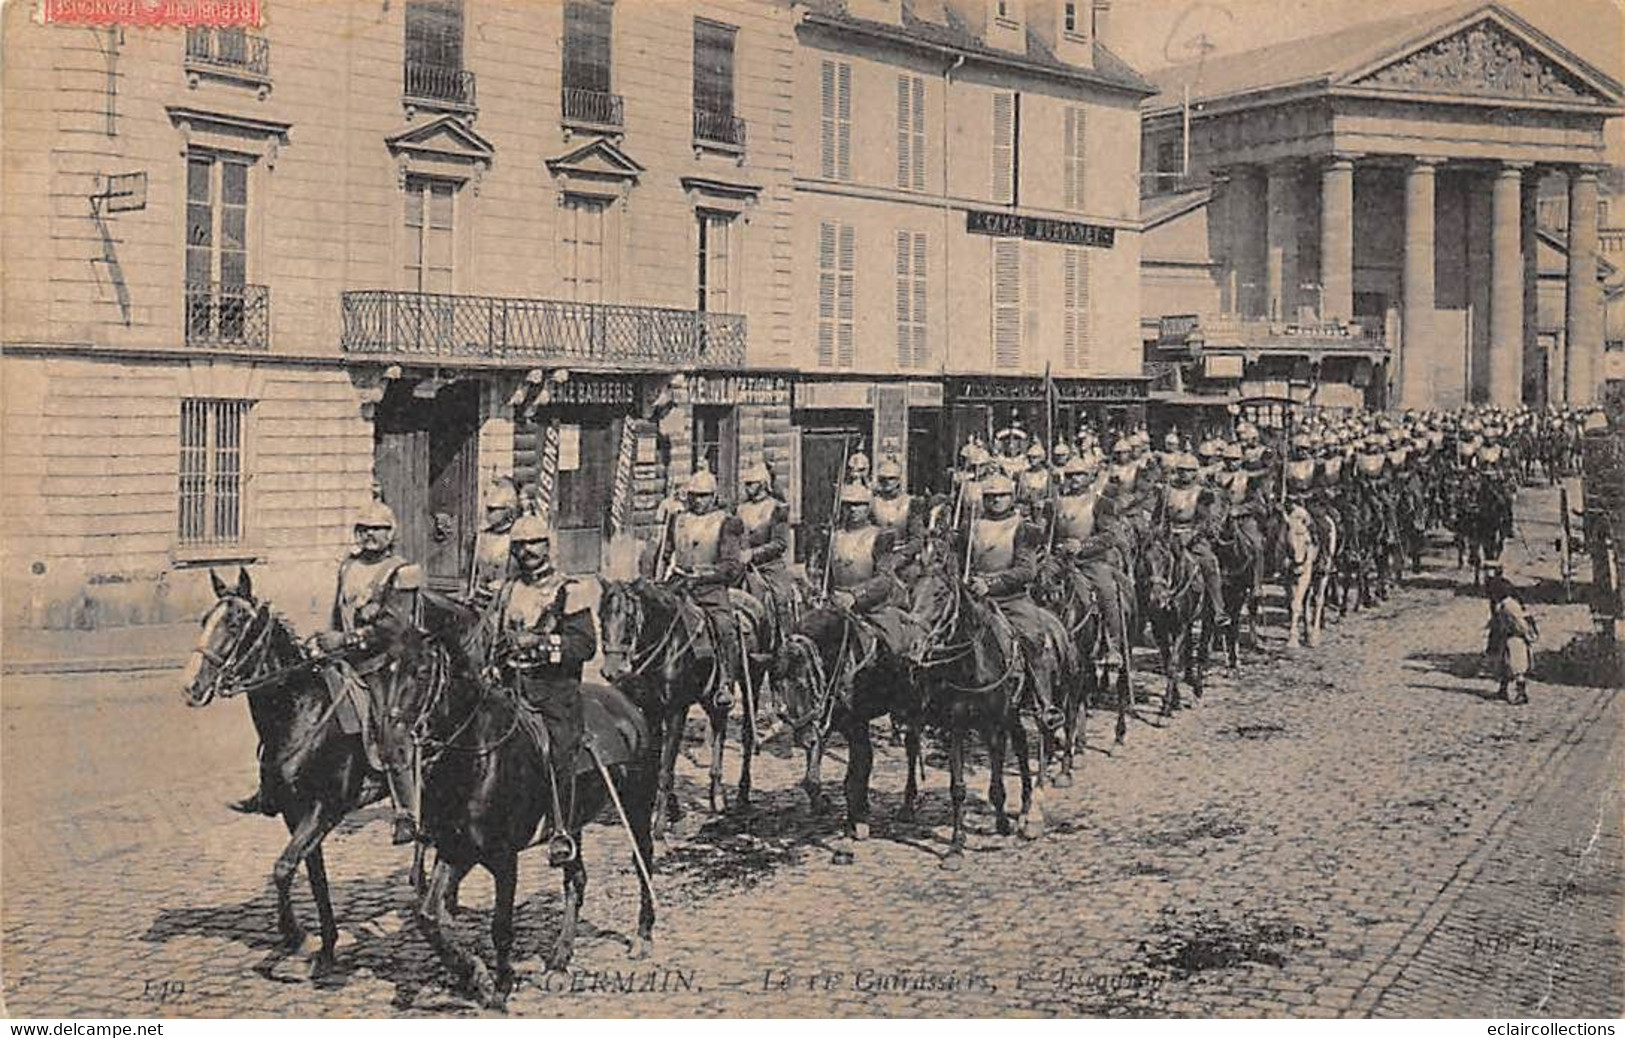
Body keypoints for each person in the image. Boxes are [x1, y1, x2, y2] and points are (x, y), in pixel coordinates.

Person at [232, 501, 426, 846]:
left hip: (389, 665)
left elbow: (396, 627)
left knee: (389, 726)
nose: (369, 535)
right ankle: (275, 785)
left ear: (390, 534)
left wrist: (347, 639)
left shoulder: (402, 572)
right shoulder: (348, 567)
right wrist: (326, 643)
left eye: (376, 529)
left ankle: (406, 811)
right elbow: (338, 614)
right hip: (350, 660)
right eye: (362, 529)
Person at [491, 513, 597, 865]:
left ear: (547, 546)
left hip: (553, 691)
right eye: (519, 545)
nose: (527, 552)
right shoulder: (506, 588)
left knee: (557, 750)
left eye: (534, 544)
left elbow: (584, 646)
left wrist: (538, 645)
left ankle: (561, 829)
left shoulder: (568, 589)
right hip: (509, 686)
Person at [960, 475, 1068, 733]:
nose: (995, 500)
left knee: (1033, 637)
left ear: (1011, 497)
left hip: (1011, 599)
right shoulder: (970, 525)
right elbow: (958, 559)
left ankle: (1045, 703)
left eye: (1001, 495)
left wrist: (992, 584)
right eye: (990, 496)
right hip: (973, 597)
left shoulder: (1023, 528)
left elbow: (1025, 570)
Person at [666, 465, 745, 710]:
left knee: (724, 626)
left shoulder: (726, 522)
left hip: (710, 589)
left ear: (713, 496)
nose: (698, 501)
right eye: (694, 495)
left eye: (703, 496)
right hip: (679, 585)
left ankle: (725, 682)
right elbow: (665, 552)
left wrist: (702, 573)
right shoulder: (678, 519)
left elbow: (731, 565)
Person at [1158, 452, 1227, 629]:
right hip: (1170, 537)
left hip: (1193, 539)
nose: (1184, 474)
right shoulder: (1166, 491)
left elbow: (1206, 520)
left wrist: (1194, 534)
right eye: (1181, 470)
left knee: (1210, 563)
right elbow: (1158, 517)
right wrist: (1158, 532)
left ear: (1195, 472)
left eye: (1189, 471)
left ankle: (1218, 609)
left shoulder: (1203, 493)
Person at [736, 460, 795, 636]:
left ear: (762, 483)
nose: (747, 488)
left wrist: (753, 554)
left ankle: (785, 639)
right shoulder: (740, 509)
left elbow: (780, 543)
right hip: (742, 566)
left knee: (780, 599)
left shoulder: (776, 508)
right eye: (746, 484)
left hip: (769, 567)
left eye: (750, 484)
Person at [1484, 573, 1538, 706]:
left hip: (1515, 639)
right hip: (1506, 638)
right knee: (1504, 665)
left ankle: (1521, 693)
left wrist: (1526, 635)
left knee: (1516, 667)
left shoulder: (1509, 606)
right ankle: (1503, 690)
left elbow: (1520, 623)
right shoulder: (1502, 604)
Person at [870, 455, 925, 582]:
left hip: (904, 559)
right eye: (883, 479)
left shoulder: (910, 503)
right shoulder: (873, 503)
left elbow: (917, 539)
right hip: (878, 556)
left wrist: (900, 557)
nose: (887, 482)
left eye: (891, 479)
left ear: (899, 480)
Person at [468, 478, 520, 608]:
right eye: (488, 509)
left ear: (508, 510)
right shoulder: (481, 536)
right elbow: (472, 573)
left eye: (494, 510)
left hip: (506, 603)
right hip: (480, 601)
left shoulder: (516, 538)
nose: (488, 514)